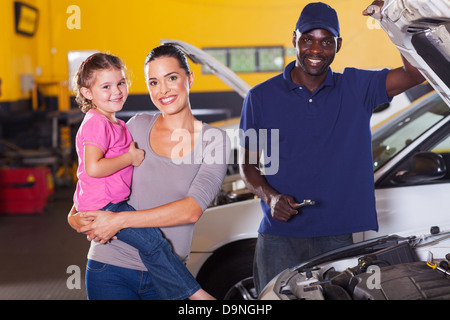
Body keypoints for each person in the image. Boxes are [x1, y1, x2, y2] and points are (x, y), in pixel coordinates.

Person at [239, 1, 425, 294]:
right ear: (294, 40)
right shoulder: (259, 97)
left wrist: (389, 20)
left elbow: (415, 75)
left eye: (326, 42)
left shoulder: (357, 86)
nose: (315, 50)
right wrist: (271, 197)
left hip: (337, 235)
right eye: (307, 40)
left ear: (338, 45)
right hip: (279, 237)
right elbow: (247, 166)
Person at [68, 46, 229, 300]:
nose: (163, 90)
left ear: (190, 78)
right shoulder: (136, 126)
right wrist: (74, 215)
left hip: (165, 276)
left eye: (172, 78)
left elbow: (191, 210)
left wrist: (119, 220)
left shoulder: (214, 140)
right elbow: (95, 176)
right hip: (110, 267)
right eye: (154, 82)